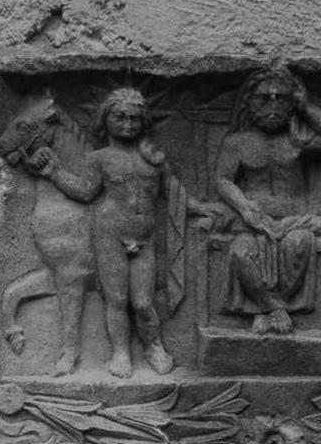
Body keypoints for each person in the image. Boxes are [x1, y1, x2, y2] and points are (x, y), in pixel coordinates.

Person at [28, 87, 210, 378]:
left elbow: (174, 193)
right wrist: (54, 173)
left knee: (143, 302)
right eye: (120, 117)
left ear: (144, 122)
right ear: (106, 119)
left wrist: (203, 209)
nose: (128, 124)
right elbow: (86, 191)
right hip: (109, 236)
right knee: (116, 300)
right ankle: (121, 353)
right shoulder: (99, 159)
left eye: (134, 118)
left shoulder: (154, 159)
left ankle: (153, 346)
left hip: (145, 239)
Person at [214, 66, 321, 335]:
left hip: (293, 220)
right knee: (241, 252)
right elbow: (223, 180)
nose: (272, 106)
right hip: (252, 221)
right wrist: (244, 207)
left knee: (298, 244)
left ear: (291, 103)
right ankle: (272, 308)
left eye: (281, 98)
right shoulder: (237, 142)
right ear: (249, 103)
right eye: (264, 98)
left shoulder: (297, 140)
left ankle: (266, 309)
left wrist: (306, 108)